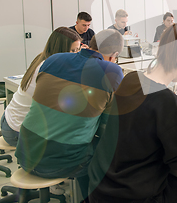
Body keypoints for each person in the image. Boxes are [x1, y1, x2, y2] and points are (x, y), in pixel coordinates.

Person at [88, 23, 177, 203]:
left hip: (100, 188)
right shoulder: (167, 102)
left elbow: (149, 102)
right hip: (132, 197)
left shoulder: (131, 79)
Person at [15, 29, 124, 201]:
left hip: (24, 154)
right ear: (114, 55)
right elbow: (106, 128)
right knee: (108, 150)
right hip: (61, 164)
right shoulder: (111, 72)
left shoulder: (52, 59)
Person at [0, 27, 82, 147]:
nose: (77, 55)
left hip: (9, 119)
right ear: (60, 50)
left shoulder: (44, 58)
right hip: (15, 130)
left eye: (78, 50)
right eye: (73, 51)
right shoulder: (51, 69)